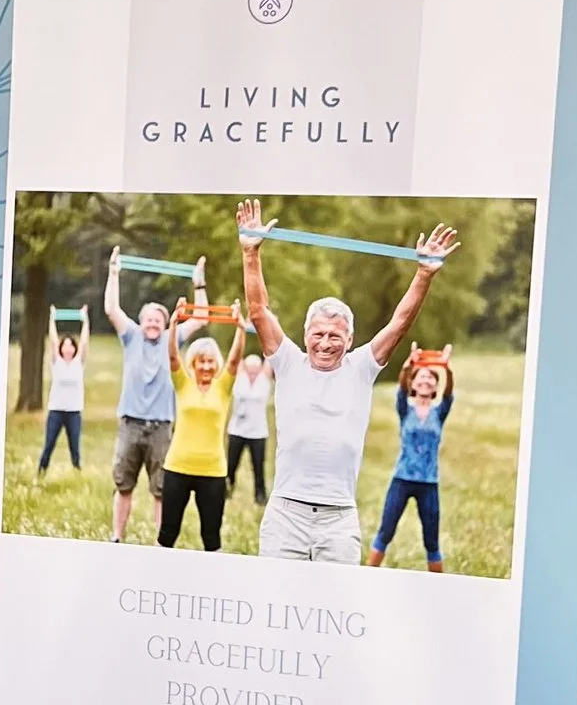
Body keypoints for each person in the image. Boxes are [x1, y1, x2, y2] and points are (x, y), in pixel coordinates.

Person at [237, 198, 457, 564]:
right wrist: (250, 253)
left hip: (338, 520)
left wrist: (423, 275)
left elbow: (399, 324)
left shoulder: (361, 368)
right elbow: (259, 311)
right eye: (318, 334)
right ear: (305, 334)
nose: (325, 343)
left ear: (350, 340)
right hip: (285, 514)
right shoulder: (288, 361)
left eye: (335, 336)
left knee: (333, 610)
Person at [103, 247, 180, 541]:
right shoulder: (132, 336)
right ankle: (117, 537)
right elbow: (111, 309)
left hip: (161, 427)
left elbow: (199, 319)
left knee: (161, 490)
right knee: (124, 485)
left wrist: (199, 284)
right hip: (130, 424)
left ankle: (160, 544)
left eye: (158, 320)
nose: (152, 324)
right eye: (148, 319)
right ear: (141, 321)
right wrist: (113, 272)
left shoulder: (172, 341)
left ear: (166, 324)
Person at [160, 315, 245, 550]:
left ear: (216, 363)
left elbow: (235, 360)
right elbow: (172, 356)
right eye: (201, 362)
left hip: (213, 472)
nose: (206, 366)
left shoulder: (223, 387)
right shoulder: (183, 383)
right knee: (168, 533)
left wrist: (240, 328)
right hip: (177, 468)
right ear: (193, 364)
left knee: (211, 537)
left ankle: (213, 583)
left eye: (210, 361)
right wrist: (174, 324)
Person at [369, 350, 454, 571]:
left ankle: (438, 590)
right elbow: (401, 388)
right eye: (420, 377)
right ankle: (366, 576)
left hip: (429, 482)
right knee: (385, 532)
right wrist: (408, 367)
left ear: (435, 387)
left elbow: (449, 393)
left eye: (430, 378)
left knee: (431, 541)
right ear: (413, 385)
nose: (425, 380)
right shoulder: (405, 409)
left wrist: (447, 369)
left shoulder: (440, 412)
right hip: (402, 479)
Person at [37, 315, 87, 474]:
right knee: (49, 444)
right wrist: (51, 319)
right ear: (61, 348)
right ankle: (41, 471)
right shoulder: (56, 362)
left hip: (74, 412)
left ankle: (77, 472)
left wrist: (85, 321)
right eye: (64, 346)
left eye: (70, 346)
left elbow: (85, 342)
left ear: (74, 348)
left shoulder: (78, 363)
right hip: (56, 411)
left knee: (75, 447)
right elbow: (52, 340)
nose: (67, 349)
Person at [225, 349, 271, 507]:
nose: (252, 373)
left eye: (255, 370)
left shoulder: (264, 379)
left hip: (258, 433)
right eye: (249, 369)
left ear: (259, 369)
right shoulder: (239, 377)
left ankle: (260, 497)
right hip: (237, 431)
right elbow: (236, 355)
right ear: (245, 367)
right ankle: (226, 492)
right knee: (231, 465)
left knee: (258, 467)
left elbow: (270, 355)